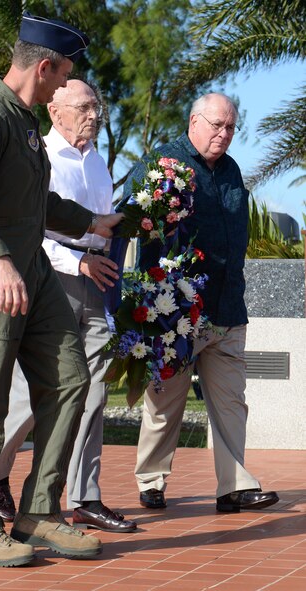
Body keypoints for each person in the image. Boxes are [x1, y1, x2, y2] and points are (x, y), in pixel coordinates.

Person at [0, 12, 123, 568]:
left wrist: (94, 223)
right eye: (63, 74)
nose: (63, 85)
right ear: (44, 67)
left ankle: (38, 512)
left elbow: (35, 201)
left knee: (70, 378)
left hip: (32, 271)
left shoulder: (22, 124)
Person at [123, 92, 279, 514]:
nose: (224, 135)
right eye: (217, 125)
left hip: (227, 309)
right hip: (176, 314)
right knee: (165, 403)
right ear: (194, 121)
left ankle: (234, 486)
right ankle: (152, 479)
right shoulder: (164, 163)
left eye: (230, 127)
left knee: (231, 402)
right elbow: (128, 216)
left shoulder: (230, 170)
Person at [0, 79, 137, 534]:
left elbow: (101, 228)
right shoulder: (43, 157)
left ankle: (84, 495)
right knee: (31, 395)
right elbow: (30, 229)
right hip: (50, 279)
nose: (94, 114)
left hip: (96, 287)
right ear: (55, 111)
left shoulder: (98, 164)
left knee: (93, 391)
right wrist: (78, 261)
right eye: (85, 106)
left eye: (97, 105)